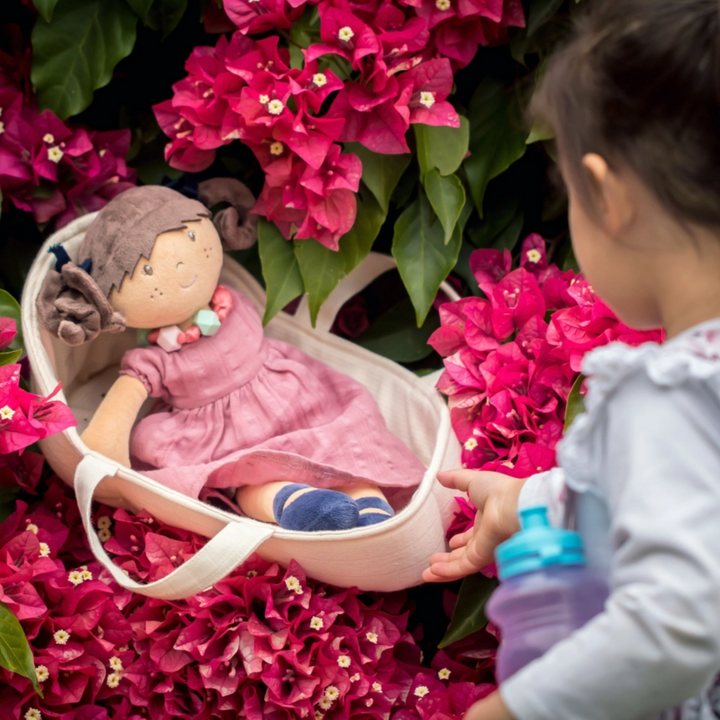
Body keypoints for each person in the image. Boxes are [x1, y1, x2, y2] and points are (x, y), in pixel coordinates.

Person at [423, 0, 720, 718]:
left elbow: (679, 624)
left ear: (610, 196)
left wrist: (509, 712)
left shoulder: (674, 391)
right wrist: (526, 503)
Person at [37, 183, 424, 532]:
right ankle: (296, 505)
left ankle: (370, 505)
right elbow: (110, 429)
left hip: (293, 396)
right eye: (151, 269)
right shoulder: (153, 360)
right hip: (221, 438)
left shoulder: (229, 298)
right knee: (245, 484)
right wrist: (110, 474)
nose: (182, 268)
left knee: (339, 445)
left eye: (191, 235)